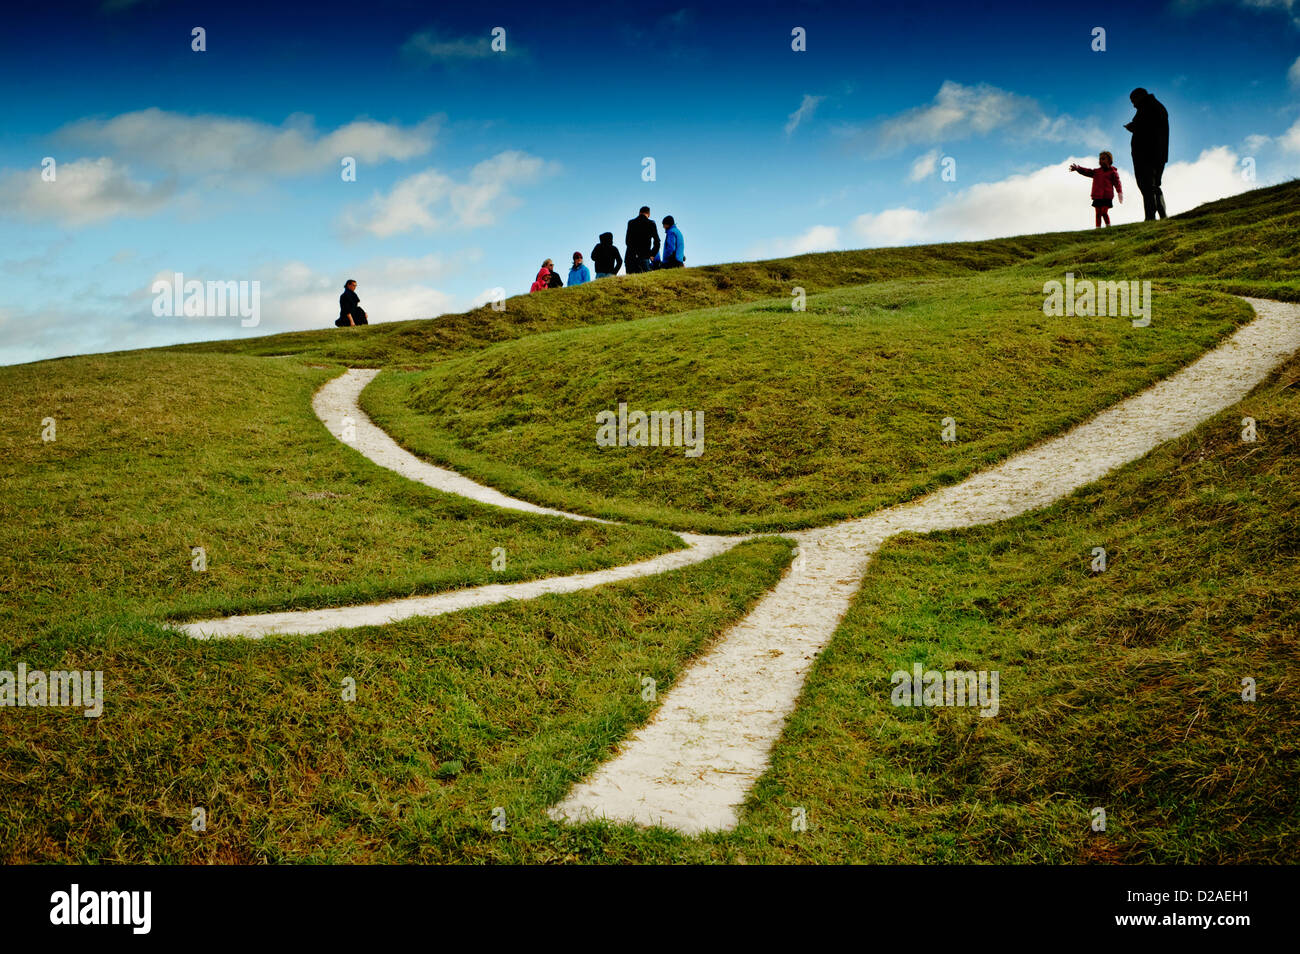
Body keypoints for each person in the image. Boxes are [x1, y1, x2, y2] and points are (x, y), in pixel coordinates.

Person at [1125, 87, 1168, 221]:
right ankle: (1161, 214)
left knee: (1147, 186)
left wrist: (1134, 127)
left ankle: (1150, 216)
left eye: (1133, 100)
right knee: (1153, 185)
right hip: (1157, 154)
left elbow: (1148, 129)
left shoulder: (1148, 108)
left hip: (1147, 155)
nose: (1133, 104)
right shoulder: (1156, 107)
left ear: (1140, 97)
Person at [1069, 152, 1123, 228]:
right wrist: (1078, 169)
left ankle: (1108, 227)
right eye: (1100, 159)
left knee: (1104, 212)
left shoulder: (1113, 172)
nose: (1101, 161)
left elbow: (1117, 183)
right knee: (1098, 213)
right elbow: (1087, 171)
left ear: (1109, 160)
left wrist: (1119, 192)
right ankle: (1098, 228)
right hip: (1097, 196)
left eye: (1103, 159)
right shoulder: (1096, 172)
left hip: (1107, 197)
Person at [624, 206, 660, 274]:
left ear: (639, 213)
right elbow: (657, 241)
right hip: (644, 256)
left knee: (630, 282)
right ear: (649, 214)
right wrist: (652, 254)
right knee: (644, 281)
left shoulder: (631, 223)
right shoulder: (651, 223)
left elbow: (627, 241)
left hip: (630, 256)